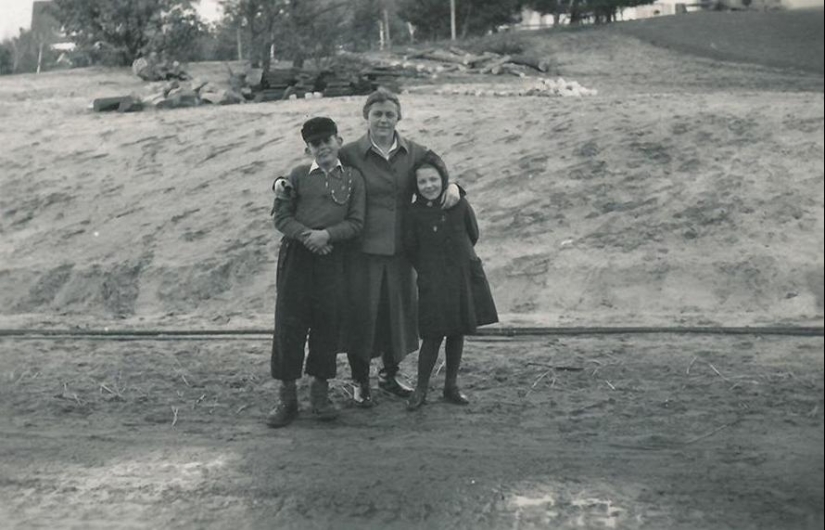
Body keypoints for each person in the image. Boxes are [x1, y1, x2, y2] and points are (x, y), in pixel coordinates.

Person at [337, 88, 463, 408]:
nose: (383, 119)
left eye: (389, 114)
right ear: (366, 116)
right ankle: (360, 380)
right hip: (360, 249)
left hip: (401, 248)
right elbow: (319, 173)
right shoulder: (349, 153)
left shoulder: (415, 151)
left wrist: (454, 187)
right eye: (377, 113)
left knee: (397, 314)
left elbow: (439, 172)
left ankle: (389, 375)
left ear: (399, 118)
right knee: (363, 316)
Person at [266, 117, 366, 428]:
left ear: (339, 141)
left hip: (332, 257)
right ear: (307, 148)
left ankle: (319, 393)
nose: (322, 147)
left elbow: (356, 222)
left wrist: (328, 236)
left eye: (327, 141)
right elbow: (280, 217)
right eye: (315, 143)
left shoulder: (353, 179)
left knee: (327, 323)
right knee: (289, 324)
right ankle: (287, 396)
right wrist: (308, 236)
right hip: (298, 256)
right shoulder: (296, 176)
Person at [403, 162, 498, 411]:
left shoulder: (459, 204)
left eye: (433, 179)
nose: (429, 186)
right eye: (422, 182)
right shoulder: (413, 213)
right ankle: (421, 388)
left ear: (443, 179)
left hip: (461, 276)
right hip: (433, 280)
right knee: (433, 335)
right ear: (416, 186)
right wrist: (430, 269)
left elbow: (472, 233)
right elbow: (410, 249)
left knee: (457, 332)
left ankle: (451, 386)